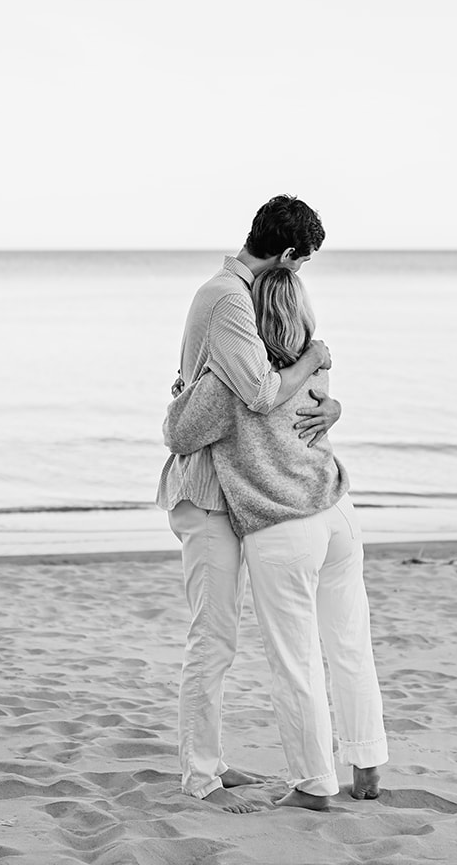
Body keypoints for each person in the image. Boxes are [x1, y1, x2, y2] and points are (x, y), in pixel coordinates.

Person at [164, 266, 387, 811]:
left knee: (297, 660)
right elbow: (314, 414)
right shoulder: (314, 360)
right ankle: (368, 765)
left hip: (285, 527)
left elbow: (179, 432)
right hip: (337, 509)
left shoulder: (234, 382)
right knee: (350, 643)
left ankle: (313, 786)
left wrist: (184, 390)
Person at [156, 195, 342, 811]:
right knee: (213, 638)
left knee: (221, 637)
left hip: (234, 491)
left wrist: (331, 403)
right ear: (287, 255)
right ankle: (199, 777)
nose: (300, 274)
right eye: (303, 262)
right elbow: (261, 394)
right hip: (207, 492)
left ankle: (210, 762)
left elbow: (268, 397)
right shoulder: (230, 299)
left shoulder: (234, 297)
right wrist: (316, 357)